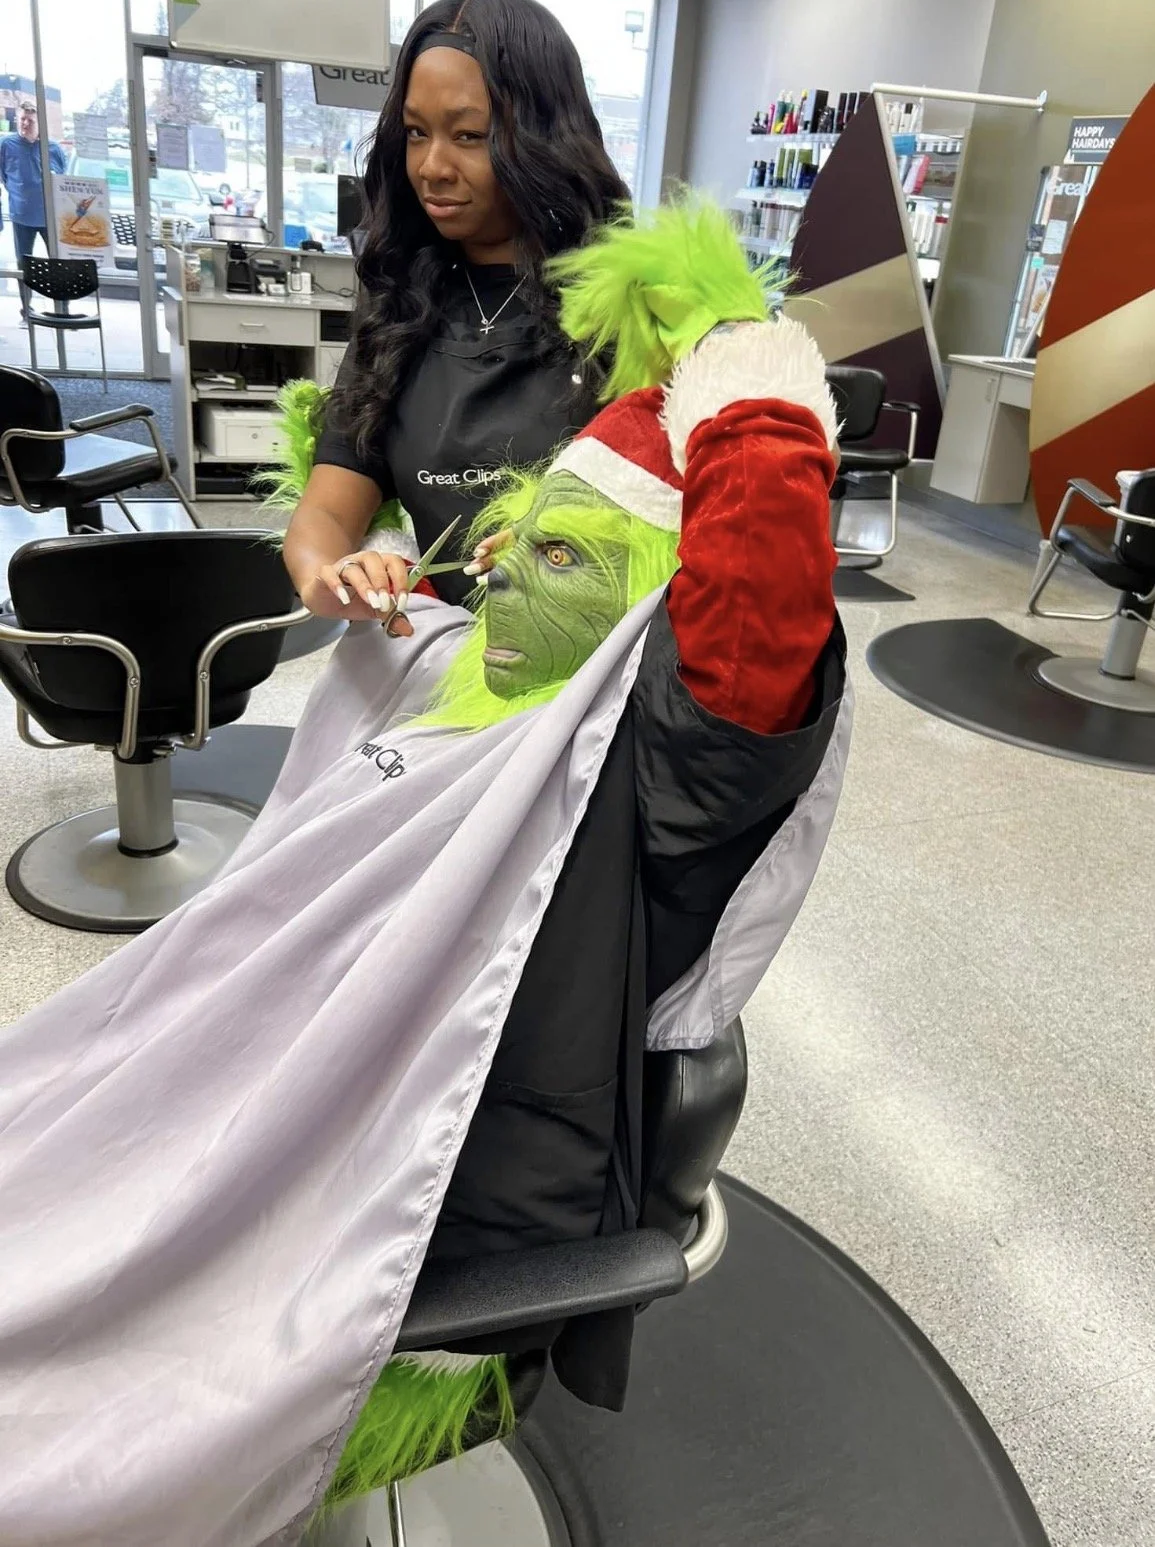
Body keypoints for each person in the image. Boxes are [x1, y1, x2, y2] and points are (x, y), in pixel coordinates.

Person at [0, 199, 851, 1546]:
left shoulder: (665, 761)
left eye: (557, 553)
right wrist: (403, 583)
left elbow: (759, 588)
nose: (503, 565)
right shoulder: (479, 684)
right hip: (274, 1075)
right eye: (519, 533)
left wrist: (741, 367)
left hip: (434, 1162)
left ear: (650, 608)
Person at [282, 0, 631, 633]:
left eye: (469, 136)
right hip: (444, 656)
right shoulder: (399, 305)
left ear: (544, 140)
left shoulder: (625, 305)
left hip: (597, 664)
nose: (432, 166)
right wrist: (330, 575)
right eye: (417, 133)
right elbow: (327, 511)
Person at [0, 100, 66, 322]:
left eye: (30, 120)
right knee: (24, 265)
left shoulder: (53, 149)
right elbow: (4, 176)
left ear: (40, 123)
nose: (25, 124)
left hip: (51, 218)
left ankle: (62, 310)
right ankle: (26, 311)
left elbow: (62, 181)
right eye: (22, 120)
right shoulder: (6, 145)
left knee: (58, 264)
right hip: (21, 216)